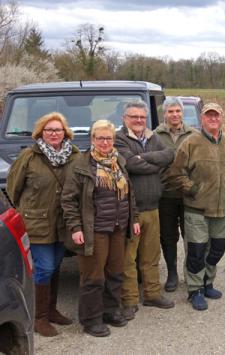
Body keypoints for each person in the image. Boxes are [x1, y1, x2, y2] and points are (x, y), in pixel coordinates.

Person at [61, 119, 140, 337]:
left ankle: (111, 310)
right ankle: (91, 319)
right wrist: (76, 228)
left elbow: (128, 194)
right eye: (100, 138)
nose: (104, 142)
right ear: (92, 139)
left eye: (108, 138)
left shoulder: (119, 162)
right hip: (92, 230)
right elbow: (68, 200)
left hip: (117, 228)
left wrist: (134, 218)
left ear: (114, 140)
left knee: (115, 272)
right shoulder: (81, 165)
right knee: (93, 276)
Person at [7, 112, 80, 337]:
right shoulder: (29, 156)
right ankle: (39, 317)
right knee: (44, 267)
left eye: (58, 130)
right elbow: (13, 189)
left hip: (62, 223)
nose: (54, 134)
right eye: (49, 130)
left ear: (65, 133)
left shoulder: (74, 156)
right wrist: (26, 213)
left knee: (56, 265)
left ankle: (51, 310)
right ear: (41, 133)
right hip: (36, 224)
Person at [168, 103, 225, 310]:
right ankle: (195, 289)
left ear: (221, 118)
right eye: (209, 116)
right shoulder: (190, 143)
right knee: (197, 251)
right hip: (197, 209)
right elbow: (175, 174)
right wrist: (193, 189)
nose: (213, 119)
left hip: (222, 209)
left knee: (217, 249)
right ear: (202, 119)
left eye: (216, 116)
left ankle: (208, 281)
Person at [115, 100, 175, 320]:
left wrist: (144, 159)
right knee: (128, 258)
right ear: (125, 118)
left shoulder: (153, 137)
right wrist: (153, 163)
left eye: (142, 117)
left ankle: (152, 294)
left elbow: (169, 155)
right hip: (132, 211)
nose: (139, 120)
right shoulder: (119, 138)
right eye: (134, 116)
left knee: (151, 255)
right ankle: (130, 300)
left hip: (153, 208)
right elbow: (130, 164)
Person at [154, 96, 196, 292]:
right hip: (165, 195)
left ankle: (191, 271)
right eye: (170, 111)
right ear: (165, 114)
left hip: (188, 195)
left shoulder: (193, 135)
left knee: (191, 234)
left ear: (183, 113)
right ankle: (172, 273)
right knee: (168, 236)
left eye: (178, 111)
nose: (174, 114)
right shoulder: (155, 135)